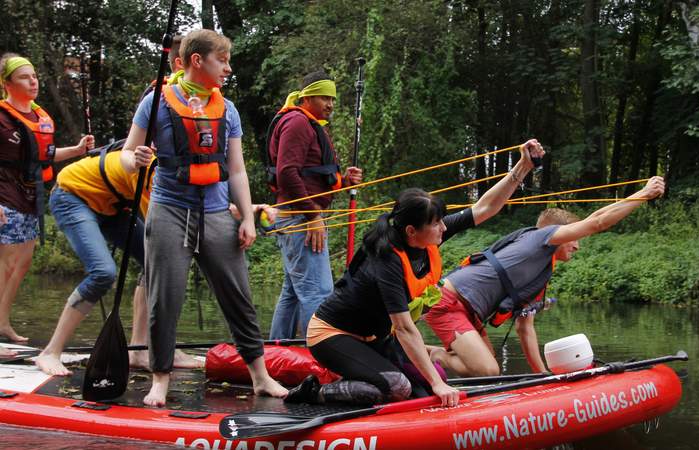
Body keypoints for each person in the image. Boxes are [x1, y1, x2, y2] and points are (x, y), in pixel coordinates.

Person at [285, 139, 545, 407]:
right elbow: (405, 329)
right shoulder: (386, 261)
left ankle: (371, 379)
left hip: (377, 337)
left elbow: (484, 208)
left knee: (430, 383)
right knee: (398, 387)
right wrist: (437, 385)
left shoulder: (427, 236)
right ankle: (314, 392)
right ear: (412, 231)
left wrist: (523, 167)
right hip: (332, 335)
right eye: (436, 224)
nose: (443, 228)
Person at [122, 29, 287, 407]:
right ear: (197, 61)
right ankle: (160, 379)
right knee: (166, 297)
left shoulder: (227, 109)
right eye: (222, 60)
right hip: (169, 209)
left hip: (215, 212)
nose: (228, 69)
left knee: (239, 297)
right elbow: (128, 154)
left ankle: (260, 377)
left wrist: (246, 217)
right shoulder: (155, 102)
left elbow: (238, 170)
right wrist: (137, 160)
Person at [425, 176, 666, 377]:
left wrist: (542, 378)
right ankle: (429, 354)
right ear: (559, 233)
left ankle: (429, 356)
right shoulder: (541, 237)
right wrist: (642, 194)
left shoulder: (541, 275)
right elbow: (597, 222)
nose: (578, 246)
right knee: (487, 370)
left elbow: (525, 330)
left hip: (470, 313)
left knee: (487, 369)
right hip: (448, 302)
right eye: (575, 238)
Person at [34, 144, 205, 375]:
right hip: (72, 196)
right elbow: (163, 225)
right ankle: (50, 352)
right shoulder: (154, 171)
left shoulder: (194, 175)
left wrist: (248, 212)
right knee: (103, 273)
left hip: (111, 205)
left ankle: (139, 349)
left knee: (154, 263)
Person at [0, 54, 93, 345]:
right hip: (4, 195)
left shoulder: (39, 117)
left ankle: (2, 324)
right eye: (24, 77)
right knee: (6, 264)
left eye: (34, 76)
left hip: (30, 198)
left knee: (22, 264)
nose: (33, 82)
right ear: (7, 84)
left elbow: (46, 155)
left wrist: (77, 150)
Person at [266, 70, 363, 340]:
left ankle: (279, 350)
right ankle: (323, 356)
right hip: (300, 219)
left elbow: (311, 175)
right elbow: (287, 172)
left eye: (332, 98)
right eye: (324, 97)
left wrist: (343, 181)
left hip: (300, 217)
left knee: (293, 291)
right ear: (307, 97)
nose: (330, 104)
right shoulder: (297, 122)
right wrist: (313, 217)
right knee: (318, 291)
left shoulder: (307, 124)